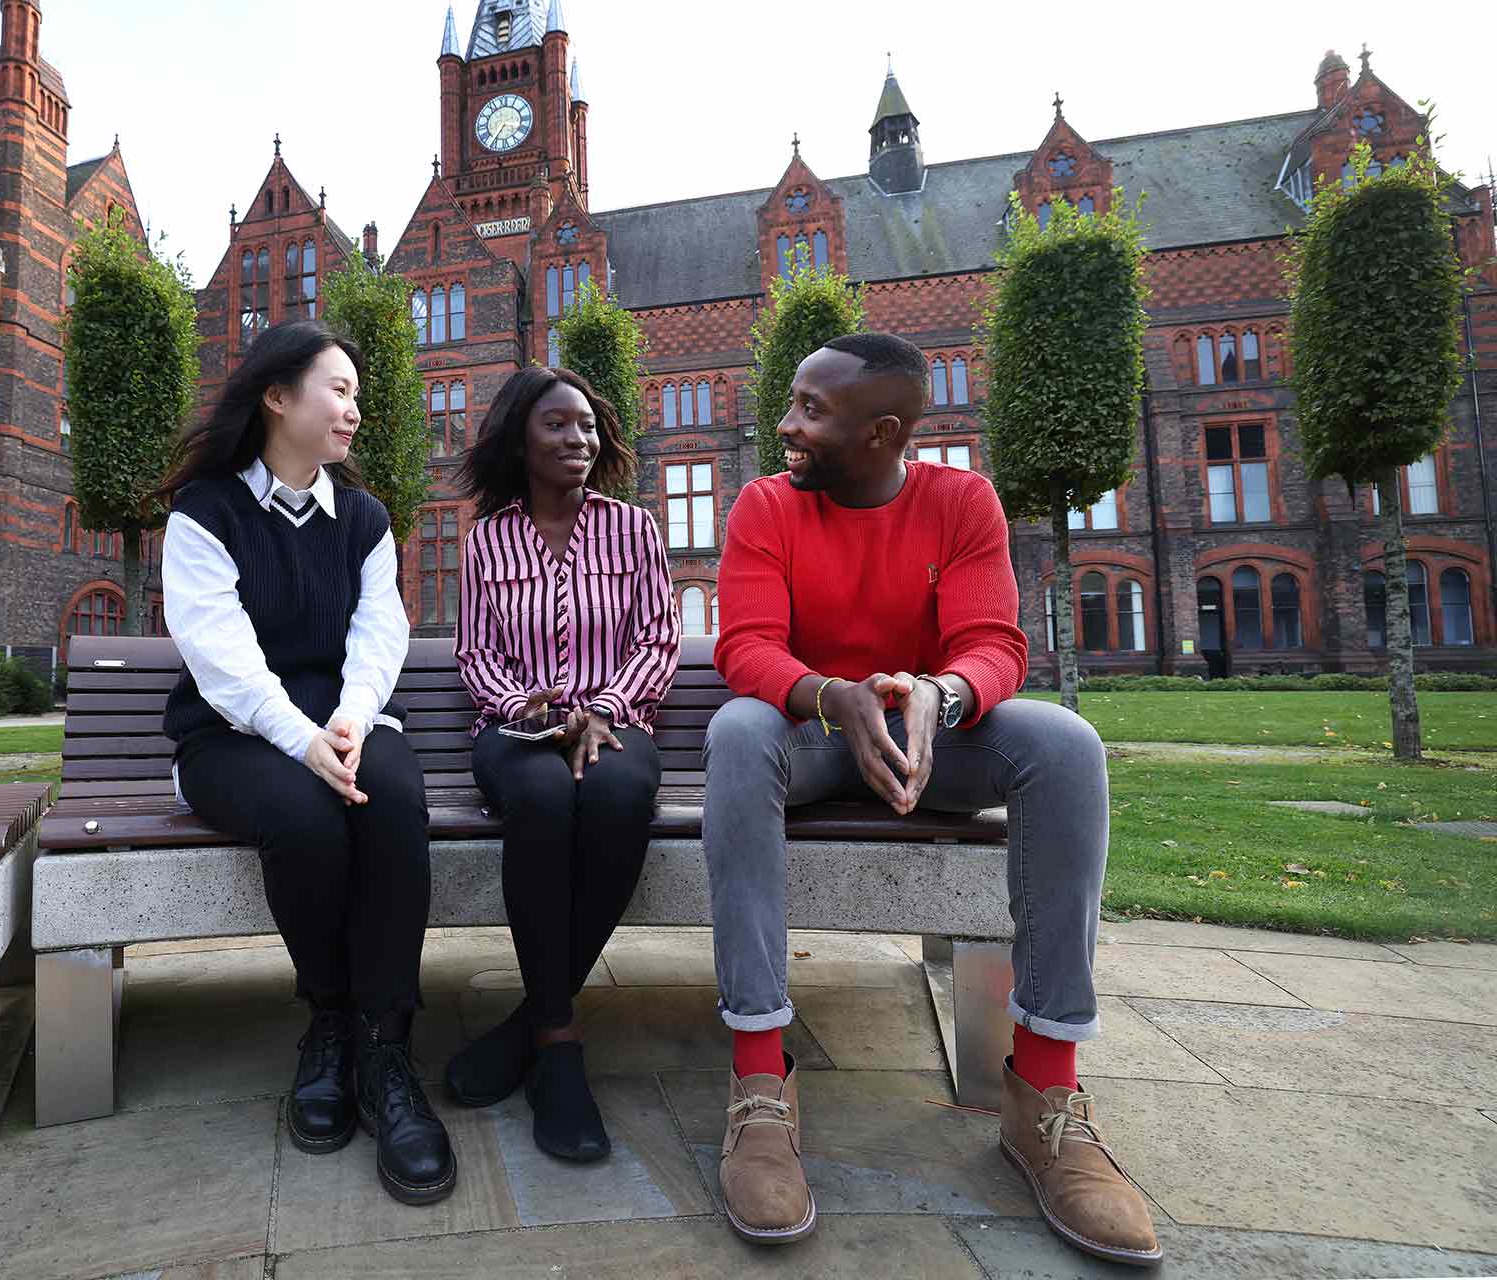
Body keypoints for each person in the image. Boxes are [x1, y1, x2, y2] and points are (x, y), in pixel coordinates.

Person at [700, 333, 1161, 1265]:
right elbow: (745, 646)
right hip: (816, 732)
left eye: (809, 412)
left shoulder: (962, 502)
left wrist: (937, 699)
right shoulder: (764, 507)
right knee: (737, 732)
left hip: (930, 731)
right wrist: (836, 696)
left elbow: (994, 643)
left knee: (1065, 743)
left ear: (884, 432)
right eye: (790, 403)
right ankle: (759, 1085)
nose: (784, 426)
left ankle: (1046, 1095)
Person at [158, 320, 455, 1207]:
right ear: (277, 397)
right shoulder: (204, 513)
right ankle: (329, 1017)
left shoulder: (363, 519)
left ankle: (386, 1044)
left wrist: (353, 722)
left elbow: (379, 636)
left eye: (358, 394)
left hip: (347, 724)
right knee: (303, 812)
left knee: (395, 802)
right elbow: (220, 655)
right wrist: (302, 741)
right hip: (234, 736)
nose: (354, 411)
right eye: (339, 390)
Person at [446, 366, 680, 1161]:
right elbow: (475, 654)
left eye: (587, 425)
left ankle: (535, 1027)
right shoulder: (488, 538)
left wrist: (605, 710)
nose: (578, 439)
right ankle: (560, 1047)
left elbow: (658, 638)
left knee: (615, 798)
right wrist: (526, 709)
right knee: (542, 801)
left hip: (618, 721)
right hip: (516, 727)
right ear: (520, 436)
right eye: (557, 425)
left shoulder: (633, 529)